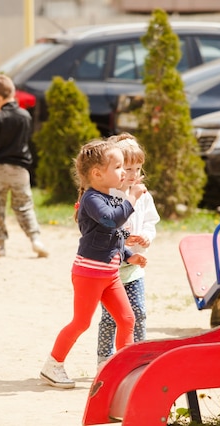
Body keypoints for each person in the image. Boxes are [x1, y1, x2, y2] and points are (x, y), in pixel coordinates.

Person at [40, 138, 148, 389]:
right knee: (81, 322)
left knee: (127, 318)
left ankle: (124, 369)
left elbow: (114, 235)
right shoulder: (92, 199)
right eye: (119, 167)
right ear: (98, 173)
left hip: (110, 274)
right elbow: (111, 221)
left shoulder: (111, 196)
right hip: (89, 272)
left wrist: (129, 254)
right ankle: (53, 365)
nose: (124, 172)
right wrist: (131, 199)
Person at [96, 134, 160, 368]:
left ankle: (138, 355)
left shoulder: (144, 196)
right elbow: (105, 228)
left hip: (134, 268)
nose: (133, 174)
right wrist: (123, 238)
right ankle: (105, 360)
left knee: (139, 313)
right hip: (110, 269)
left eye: (138, 168)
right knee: (110, 318)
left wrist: (146, 236)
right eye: (127, 168)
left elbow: (150, 222)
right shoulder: (107, 196)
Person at [0, 74, 48, 258]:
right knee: (24, 205)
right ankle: (35, 240)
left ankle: (0, 246)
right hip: (20, 170)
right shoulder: (25, 116)